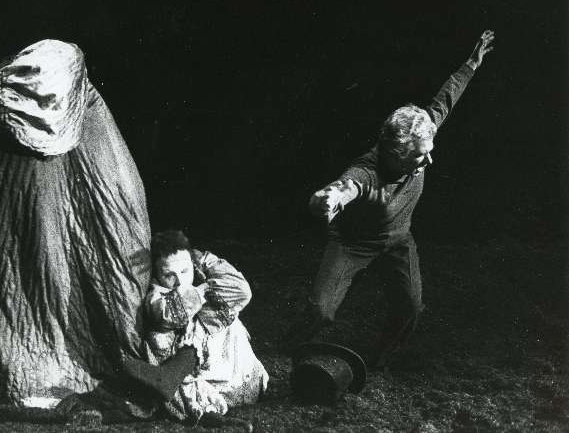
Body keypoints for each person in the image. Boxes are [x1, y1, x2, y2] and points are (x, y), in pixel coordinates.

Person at [0, 39, 195, 415]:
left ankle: (132, 362)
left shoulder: (86, 124)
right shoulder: (34, 137)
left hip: (117, 270)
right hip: (67, 241)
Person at [284, 30, 496, 368]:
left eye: (428, 151)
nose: (429, 160)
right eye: (420, 156)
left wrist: (472, 63)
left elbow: (446, 98)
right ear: (397, 154)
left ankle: (379, 358)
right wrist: (327, 198)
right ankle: (288, 348)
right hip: (354, 244)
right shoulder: (367, 173)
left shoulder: (420, 137)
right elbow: (345, 187)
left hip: (398, 241)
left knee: (410, 307)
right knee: (321, 311)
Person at [142, 230, 268, 423]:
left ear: (193, 263)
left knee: (221, 313)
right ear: (157, 275)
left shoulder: (201, 273)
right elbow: (164, 315)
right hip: (205, 382)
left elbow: (242, 291)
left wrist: (204, 261)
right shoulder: (157, 293)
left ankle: (172, 374)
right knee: (160, 336)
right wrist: (199, 294)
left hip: (238, 372)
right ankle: (208, 412)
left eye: (184, 271)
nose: (179, 282)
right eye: (169, 275)